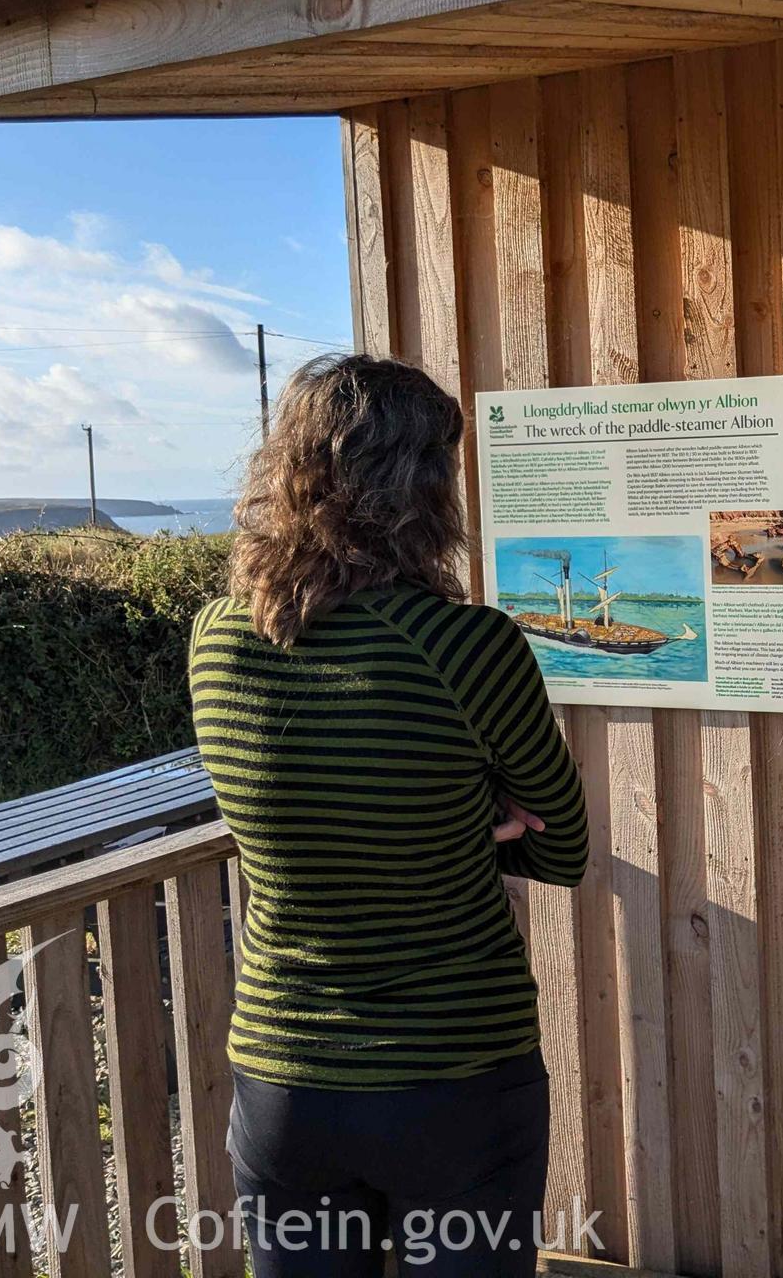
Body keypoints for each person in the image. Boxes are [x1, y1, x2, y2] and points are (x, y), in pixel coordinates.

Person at [189, 353, 587, 1276]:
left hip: (284, 1079)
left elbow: (293, 810)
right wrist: (474, 817)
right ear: (425, 486)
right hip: (457, 1078)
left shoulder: (217, 640)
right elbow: (561, 846)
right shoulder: (468, 645)